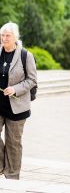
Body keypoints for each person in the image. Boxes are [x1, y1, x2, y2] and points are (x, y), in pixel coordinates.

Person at [0, 22, 37, 179]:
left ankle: (12, 174)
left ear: (16, 37)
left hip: (17, 106)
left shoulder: (25, 55)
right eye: (2, 35)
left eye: (8, 35)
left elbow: (32, 80)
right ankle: (2, 166)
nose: (4, 38)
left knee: (13, 142)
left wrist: (15, 88)